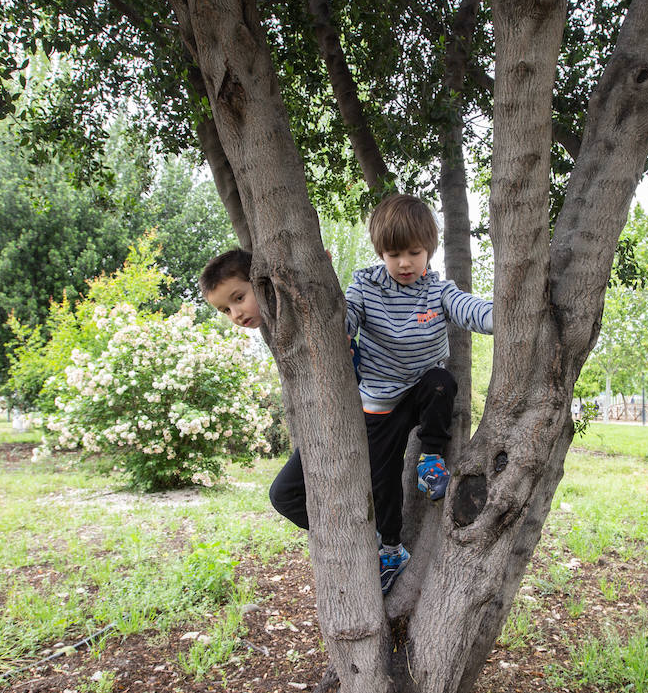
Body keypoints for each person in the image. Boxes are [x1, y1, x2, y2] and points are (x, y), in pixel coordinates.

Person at [199, 199, 493, 595]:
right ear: (380, 253)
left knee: (442, 380)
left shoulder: (437, 291)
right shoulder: (366, 285)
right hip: (376, 401)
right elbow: (344, 318)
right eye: (393, 254)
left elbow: (471, 309)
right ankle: (372, 544)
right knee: (370, 479)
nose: (404, 263)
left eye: (414, 253)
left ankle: (430, 461)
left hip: (421, 390)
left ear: (430, 251)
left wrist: (505, 314)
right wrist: (318, 294)